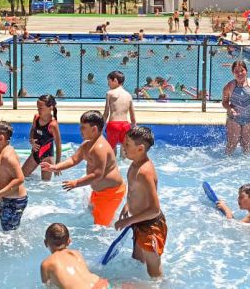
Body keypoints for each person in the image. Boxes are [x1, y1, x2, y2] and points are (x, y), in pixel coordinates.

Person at [41, 111, 125, 227]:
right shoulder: (86, 145)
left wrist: (76, 183)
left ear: (94, 129)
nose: (80, 130)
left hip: (110, 193)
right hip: (99, 191)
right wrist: (55, 167)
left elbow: (98, 175)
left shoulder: (99, 148)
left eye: (83, 127)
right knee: (91, 214)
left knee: (101, 227)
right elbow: (73, 160)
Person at [114, 127, 166, 278]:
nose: (123, 146)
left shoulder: (144, 172)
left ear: (140, 149)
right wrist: (128, 205)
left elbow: (155, 209)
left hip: (151, 227)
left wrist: (128, 221)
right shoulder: (134, 163)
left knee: (154, 274)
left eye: (127, 144)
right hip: (140, 222)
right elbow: (136, 191)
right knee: (136, 262)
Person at [0, 122, 28, 231]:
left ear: (1, 138)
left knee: (8, 232)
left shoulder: (7, 156)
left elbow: (20, 179)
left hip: (15, 201)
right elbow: (3, 176)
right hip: (6, 196)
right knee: (4, 227)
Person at [40, 223, 108, 289]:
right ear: (69, 241)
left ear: (45, 243)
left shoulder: (46, 264)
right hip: (101, 284)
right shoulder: (76, 254)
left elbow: (48, 286)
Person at [221, 61, 250, 155]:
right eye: (236, 71)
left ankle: (246, 163)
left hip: (249, 119)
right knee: (232, 143)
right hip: (234, 119)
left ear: (246, 71)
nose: (239, 73)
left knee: (246, 145)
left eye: (242, 70)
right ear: (232, 73)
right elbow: (224, 102)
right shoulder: (229, 86)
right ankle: (225, 162)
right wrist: (230, 109)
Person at [21, 95, 62, 181]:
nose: (38, 110)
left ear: (50, 108)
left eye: (41, 108)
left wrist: (57, 164)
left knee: (45, 184)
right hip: (35, 154)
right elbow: (33, 130)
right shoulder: (36, 117)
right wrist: (31, 140)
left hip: (47, 157)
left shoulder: (53, 125)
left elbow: (58, 145)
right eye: (37, 108)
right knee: (21, 177)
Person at [103, 70, 137, 158]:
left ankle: (112, 166)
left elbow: (106, 113)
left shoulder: (110, 93)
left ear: (115, 80)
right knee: (124, 150)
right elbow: (133, 117)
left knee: (111, 150)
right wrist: (134, 128)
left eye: (109, 81)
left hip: (114, 125)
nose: (108, 84)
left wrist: (100, 126)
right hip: (126, 125)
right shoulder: (128, 95)